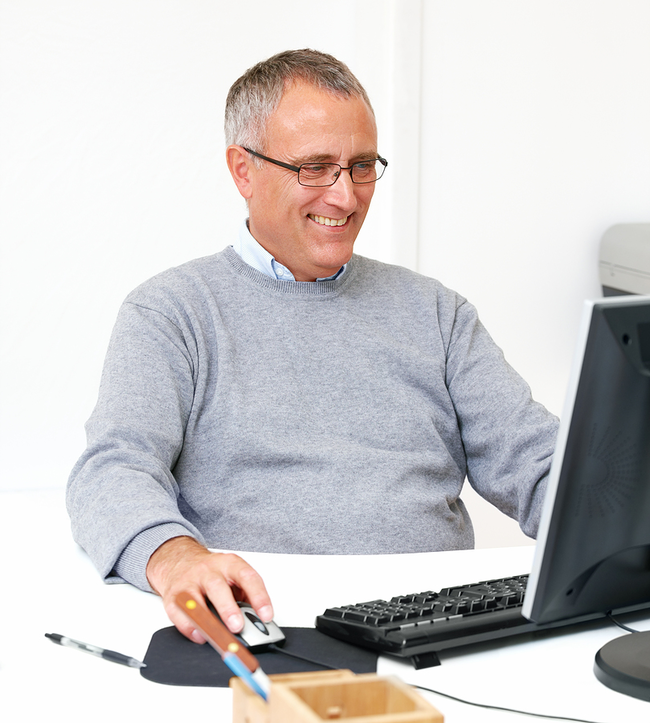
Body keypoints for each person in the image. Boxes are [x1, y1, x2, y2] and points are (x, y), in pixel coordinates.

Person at [67, 49, 558, 646]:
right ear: (243, 170)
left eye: (360, 167)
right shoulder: (172, 313)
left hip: (437, 629)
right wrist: (174, 559)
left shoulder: (436, 313)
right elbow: (114, 471)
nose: (346, 197)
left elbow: (540, 464)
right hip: (268, 630)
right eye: (316, 168)